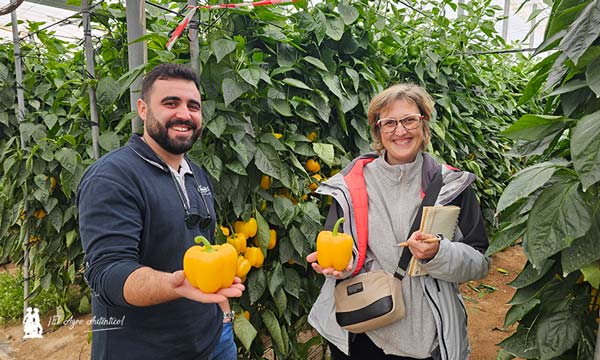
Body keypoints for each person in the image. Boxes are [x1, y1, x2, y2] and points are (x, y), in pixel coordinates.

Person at [306, 83, 489, 360]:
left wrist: (439, 253)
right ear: (378, 130)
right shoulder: (351, 185)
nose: (400, 131)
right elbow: (344, 252)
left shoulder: (452, 186)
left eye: (409, 120)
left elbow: (479, 262)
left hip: (426, 334)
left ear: (424, 124)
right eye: (389, 122)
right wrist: (338, 266)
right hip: (362, 326)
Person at [77, 63, 244, 360]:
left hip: (211, 339)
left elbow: (206, 246)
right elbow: (107, 272)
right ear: (143, 109)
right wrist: (176, 284)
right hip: (144, 349)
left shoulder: (196, 173)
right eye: (170, 103)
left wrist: (224, 318)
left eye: (193, 106)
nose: (184, 114)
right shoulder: (113, 177)